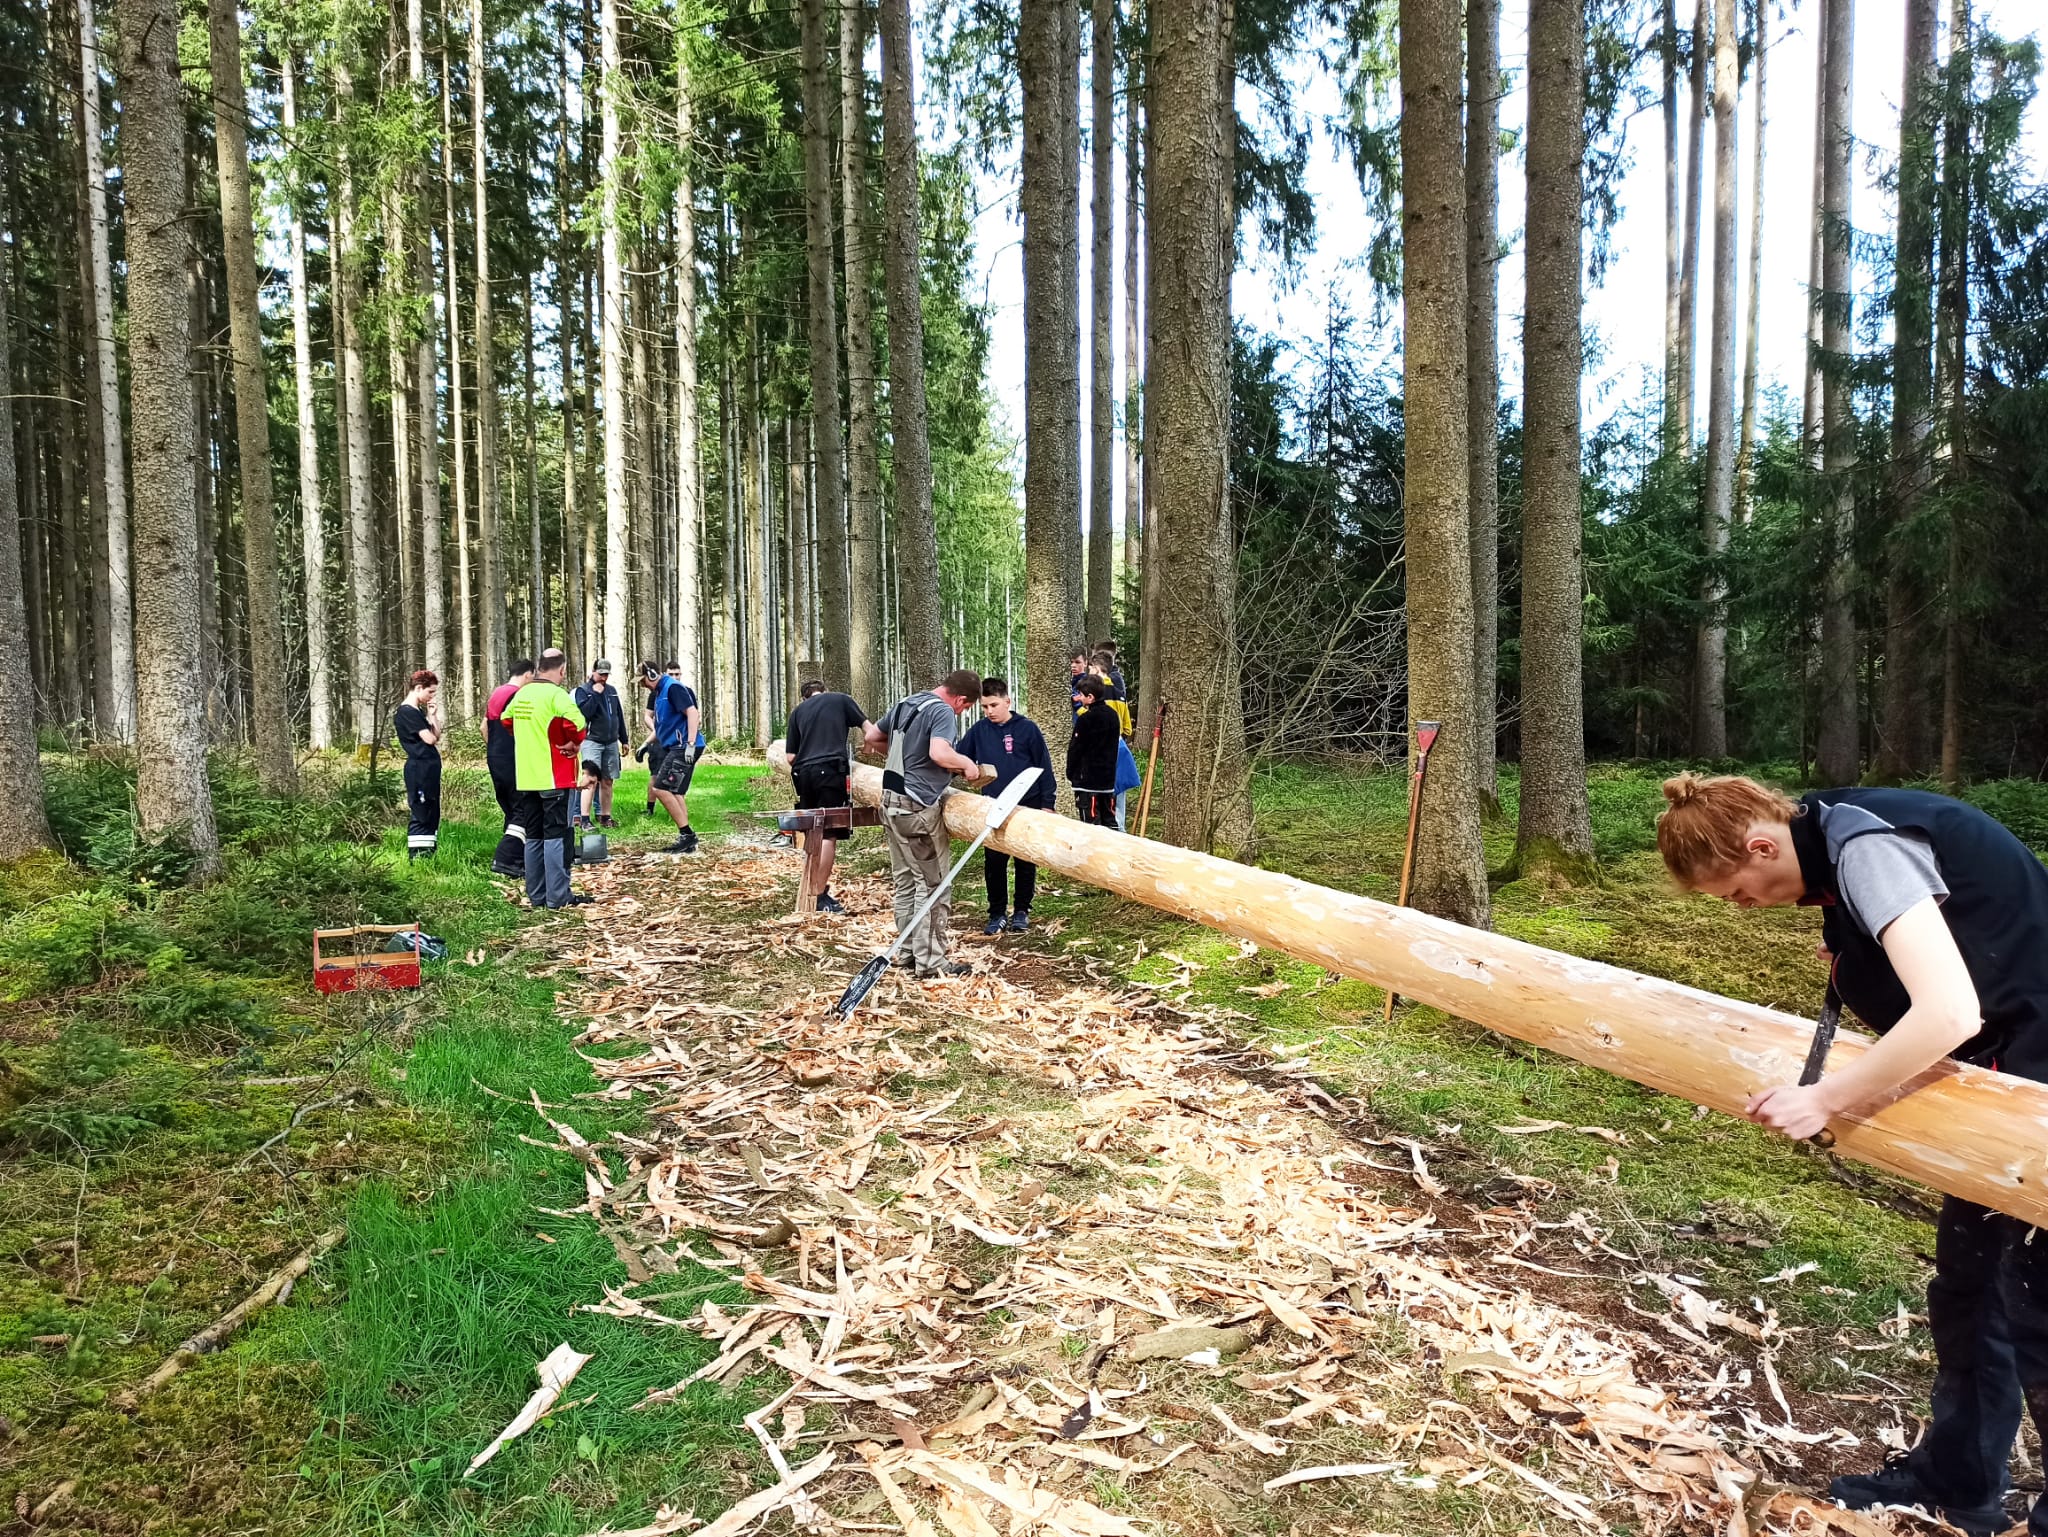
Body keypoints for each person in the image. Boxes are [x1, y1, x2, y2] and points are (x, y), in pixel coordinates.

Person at [1658, 773, 2048, 1537]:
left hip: (2036, 1080)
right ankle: (1957, 1481)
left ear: (1761, 844)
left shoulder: (1868, 847)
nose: (1743, 907)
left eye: (1737, 890)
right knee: (1971, 1290)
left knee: (2040, 1305)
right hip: (2001, 1077)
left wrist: (1828, 1098)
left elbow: (1949, 1010)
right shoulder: (1833, 848)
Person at [873, 668, 993, 978]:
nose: (962, 712)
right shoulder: (942, 711)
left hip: (890, 801)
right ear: (960, 699)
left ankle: (906, 951)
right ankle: (932, 963)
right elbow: (939, 752)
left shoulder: (907, 702)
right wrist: (966, 763)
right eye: (965, 707)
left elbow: (874, 737)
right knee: (934, 885)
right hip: (916, 808)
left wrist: (909, 758)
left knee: (906, 881)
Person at [957, 676, 1055, 933]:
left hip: (1028, 803)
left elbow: (1043, 765)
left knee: (1025, 860)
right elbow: (960, 757)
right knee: (994, 862)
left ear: (1007, 701)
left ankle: (1022, 910)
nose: (989, 711)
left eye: (993, 705)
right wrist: (967, 770)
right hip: (994, 804)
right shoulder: (979, 731)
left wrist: (1047, 803)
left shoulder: (1027, 729)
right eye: (985, 707)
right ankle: (997, 913)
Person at [783, 679, 886, 914]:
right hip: (830, 771)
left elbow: (790, 757)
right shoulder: (841, 699)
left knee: (813, 830)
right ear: (825, 692)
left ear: (805, 697)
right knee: (829, 833)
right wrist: (870, 749)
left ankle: (811, 889)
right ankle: (818, 895)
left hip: (804, 774)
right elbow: (870, 732)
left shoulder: (797, 712)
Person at [502, 648, 593, 910]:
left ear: (538, 668)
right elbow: (577, 724)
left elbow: (506, 720)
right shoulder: (556, 695)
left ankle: (537, 896)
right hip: (554, 777)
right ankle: (558, 897)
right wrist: (571, 744)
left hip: (527, 777)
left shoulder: (522, 693)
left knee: (534, 836)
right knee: (556, 835)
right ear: (561, 670)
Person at [639, 661, 704, 853]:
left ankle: (688, 835)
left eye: (643, 680)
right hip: (677, 746)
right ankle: (686, 838)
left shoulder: (673, 688)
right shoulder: (659, 693)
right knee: (675, 792)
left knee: (660, 787)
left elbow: (692, 713)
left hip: (683, 746)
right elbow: (662, 727)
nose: (642, 684)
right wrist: (645, 744)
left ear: (651, 675)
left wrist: (690, 744)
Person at [485, 659, 536, 876]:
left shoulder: (497, 693)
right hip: (512, 758)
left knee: (510, 810)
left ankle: (518, 859)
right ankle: (505, 859)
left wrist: (495, 750)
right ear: (528, 674)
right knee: (523, 811)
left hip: (495, 758)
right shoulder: (518, 696)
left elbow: (483, 727)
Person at [572, 661, 630, 830]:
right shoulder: (583, 691)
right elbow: (585, 714)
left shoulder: (612, 691)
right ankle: (584, 819)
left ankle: (605, 817)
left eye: (606, 675)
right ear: (593, 672)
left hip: (611, 742)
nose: (603, 678)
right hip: (592, 741)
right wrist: (596, 695)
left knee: (608, 780)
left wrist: (624, 739)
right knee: (590, 779)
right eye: (601, 674)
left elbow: (618, 715)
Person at [393, 670, 443, 860]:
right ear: (418, 688)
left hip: (428, 768)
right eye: (430, 692)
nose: (432, 696)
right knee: (421, 811)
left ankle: (428, 853)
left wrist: (433, 716)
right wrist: (430, 728)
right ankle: (418, 856)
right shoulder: (407, 712)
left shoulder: (418, 712)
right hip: (419, 769)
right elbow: (430, 739)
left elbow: (436, 734)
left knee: (431, 809)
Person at [1066, 676, 1121, 830]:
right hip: (1108, 781)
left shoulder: (1086, 720)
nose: (1079, 698)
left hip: (1087, 783)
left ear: (1090, 697)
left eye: (1081, 695)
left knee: (1090, 827)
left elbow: (1075, 749)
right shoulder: (1113, 716)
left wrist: (1071, 773)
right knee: (1110, 822)